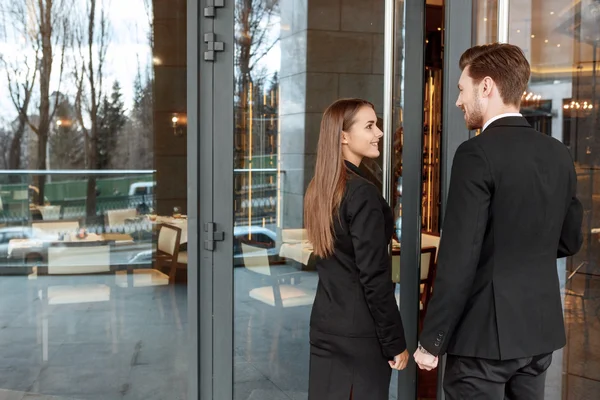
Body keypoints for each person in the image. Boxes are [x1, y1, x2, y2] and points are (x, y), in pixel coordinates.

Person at [414, 43, 583, 399]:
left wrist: (432, 341)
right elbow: (569, 242)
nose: (458, 101)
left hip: (483, 341)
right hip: (537, 334)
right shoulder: (558, 154)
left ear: (486, 86)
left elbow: (459, 256)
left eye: (461, 89)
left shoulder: (476, 153)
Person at [305, 98, 409, 400]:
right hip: (360, 336)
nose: (379, 133)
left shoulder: (320, 187)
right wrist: (395, 342)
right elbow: (374, 277)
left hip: (325, 326)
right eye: (370, 126)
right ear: (343, 136)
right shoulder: (361, 193)